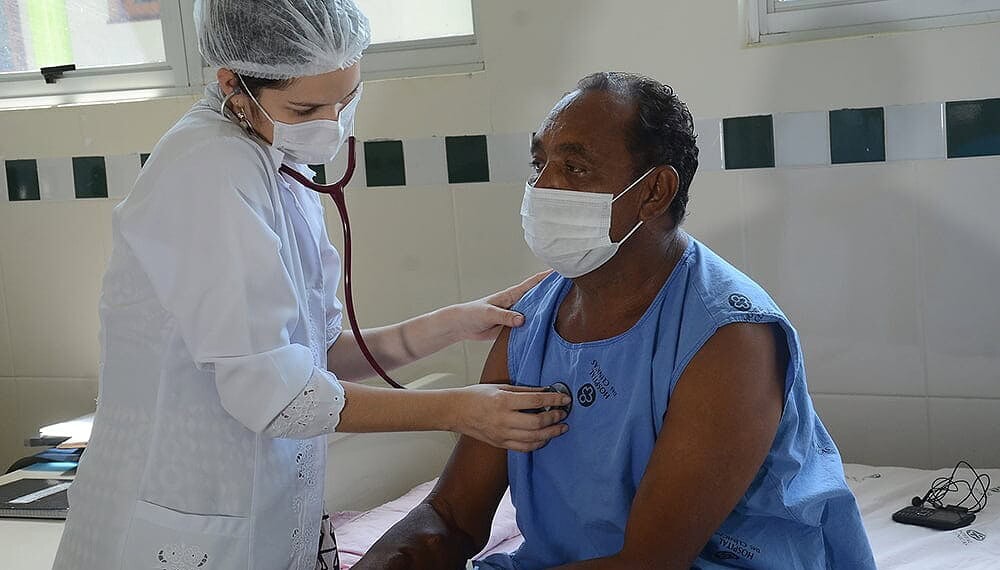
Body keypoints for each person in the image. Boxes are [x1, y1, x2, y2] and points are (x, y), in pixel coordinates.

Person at [51, 1, 570, 569]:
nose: (330, 123)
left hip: (258, 516)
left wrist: (454, 323)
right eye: (306, 106)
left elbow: (315, 357)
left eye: (345, 99)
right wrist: (460, 410)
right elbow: (281, 397)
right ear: (233, 84)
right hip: (180, 526)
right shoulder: (207, 172)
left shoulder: (276, 161)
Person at [356, 72, 877, 570]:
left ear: (654, 192)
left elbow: (649, 564)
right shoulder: (534, 318)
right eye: (540, 164)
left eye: (575, 168)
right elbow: (452, 515)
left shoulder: (727, 337)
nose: (544, 187)